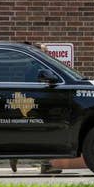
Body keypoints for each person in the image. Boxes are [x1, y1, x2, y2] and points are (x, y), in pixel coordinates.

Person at [10, 41, 62, 175]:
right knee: (45, 133)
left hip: (35, 103)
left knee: (33, 133)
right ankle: (46, 165)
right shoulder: (38, 67)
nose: (47, 54)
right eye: (45, 51)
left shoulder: (33, 66)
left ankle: (15, 153)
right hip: (38, 104)